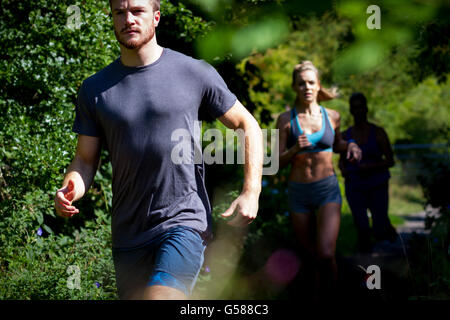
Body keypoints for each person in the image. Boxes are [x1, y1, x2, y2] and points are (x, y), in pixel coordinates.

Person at [54, 0, 263, 300]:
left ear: (156, 17)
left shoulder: (194, 72)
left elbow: (248, 124)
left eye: (137, 11)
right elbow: (85, 161)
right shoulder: (94, 89)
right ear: (112, 18)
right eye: (119, 13)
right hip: (128, 234)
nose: (128, 20)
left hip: (183, 221)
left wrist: (251, 191)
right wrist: (69, 188)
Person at [276, 61, 362, 300]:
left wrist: (351, 145)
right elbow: (276, 162)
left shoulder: (333, 116)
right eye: (301, 83)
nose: (307, 87)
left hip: (326, 189)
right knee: (309, 256)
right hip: (298, 192)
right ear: (294, 86)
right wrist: (294, 150)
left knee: (325, 253)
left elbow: (338, 146)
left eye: (311, 82)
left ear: (318, 86)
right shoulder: (285, 120)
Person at [338, 92, 397, 253]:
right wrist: (344, 171)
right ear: (351, 110)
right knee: (362, 225)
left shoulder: (378, 133)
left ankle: (389, 234)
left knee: (379, 225)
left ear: (366, 108)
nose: (358, 111)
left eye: (361, 107)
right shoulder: (345, 135)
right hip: (355, 185)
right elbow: (341, 161)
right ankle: (366, 261)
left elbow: (390, 160)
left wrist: (371, 166)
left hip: (377, 183)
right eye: (355, 108)